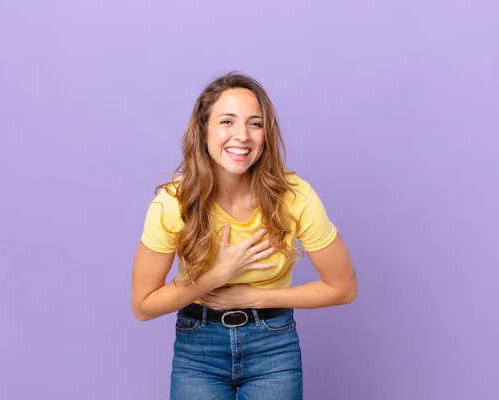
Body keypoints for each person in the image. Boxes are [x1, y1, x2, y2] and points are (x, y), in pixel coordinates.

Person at [132, 72, 357, 399]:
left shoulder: (294, 196)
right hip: (199, 349)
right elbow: (142, 306)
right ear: (203, 130)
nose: (242, 136)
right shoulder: (172, 203)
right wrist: (217, 275)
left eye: (255, 123)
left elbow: (344, 287)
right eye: (227, 121)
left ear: (267, 134)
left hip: (273, 347)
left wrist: (255, 297)